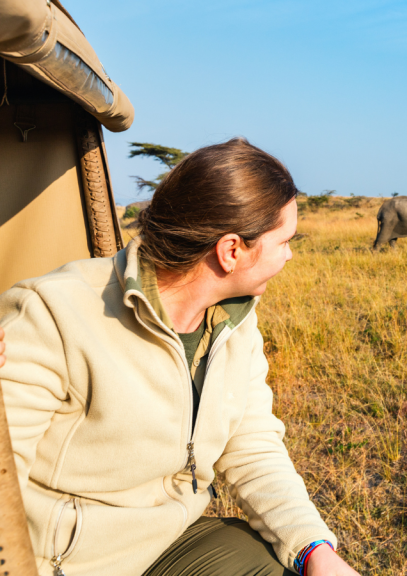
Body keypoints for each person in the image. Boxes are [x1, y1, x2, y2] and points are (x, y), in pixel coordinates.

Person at [0, 138, 360, 576]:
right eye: (284, 241)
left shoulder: (234, 322)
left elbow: (252, 448)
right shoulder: (52, 314)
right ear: (232, 251)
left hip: (169, 542)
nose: (290, 254)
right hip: (70, 562)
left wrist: (314, 550)